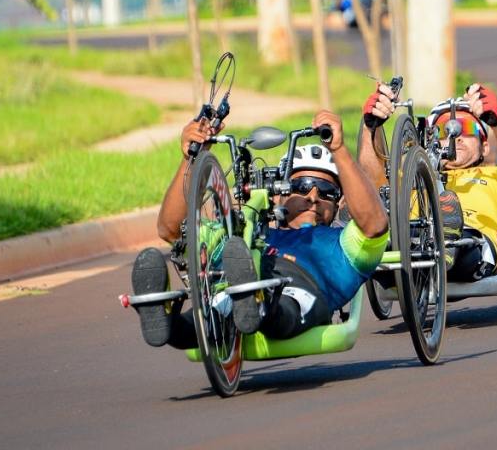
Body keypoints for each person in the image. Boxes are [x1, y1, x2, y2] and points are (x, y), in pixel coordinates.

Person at [130, 109, 389, 348]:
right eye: (299, 187)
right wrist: (191, 158)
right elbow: (172, 230)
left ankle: (259, 302)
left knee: (288, 303)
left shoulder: (345, 243)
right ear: (278, 195)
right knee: (216, 312)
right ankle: (165, 320)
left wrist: (339, 149)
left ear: (339, 202)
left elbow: (376, 224)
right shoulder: (245, 235)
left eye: (325, 191)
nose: (312, 197)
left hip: (301, 289)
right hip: (241, 279)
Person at [359, 83, 497, 281]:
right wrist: (370, 128)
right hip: (409, 238)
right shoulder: (413, 176)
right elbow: (373, 187)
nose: (456, 135)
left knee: (458, 234)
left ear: (485, 147)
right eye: (443, 130)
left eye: (467, 128)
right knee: (372, 228)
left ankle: (446, 239)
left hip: (470, 244)